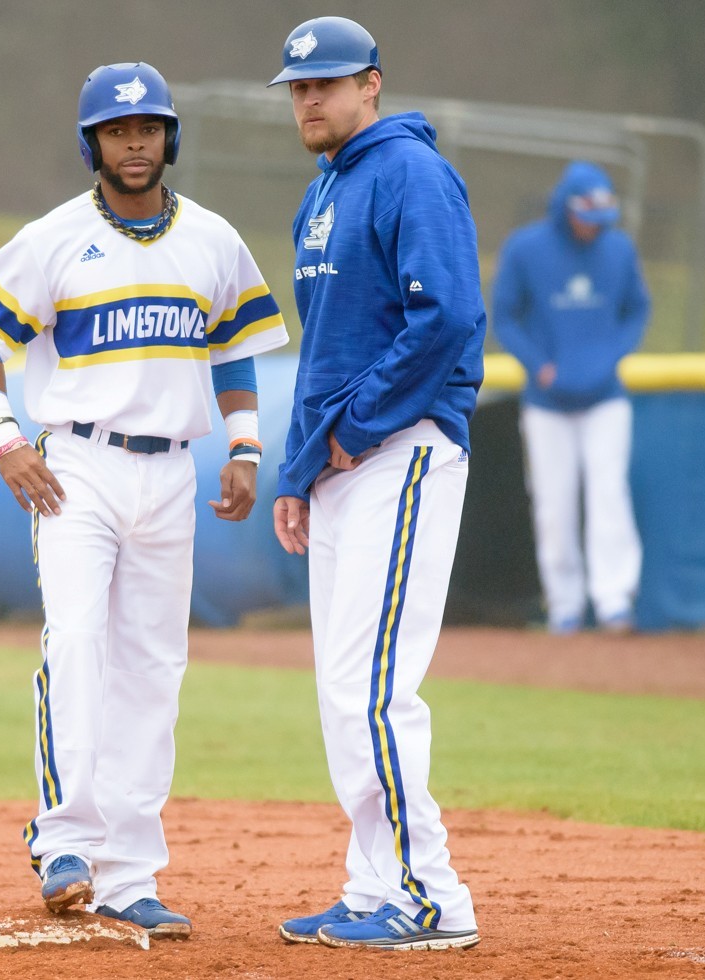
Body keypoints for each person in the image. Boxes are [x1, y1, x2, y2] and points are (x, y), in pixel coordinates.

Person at [0, 62, 288, 941]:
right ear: (91, 143)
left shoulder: (212, 239)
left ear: (171, 137)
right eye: (117, 131)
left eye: (149, 129)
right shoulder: (54, 237)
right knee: (76, 643)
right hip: (78, 468)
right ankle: (64, 843)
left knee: (154, 667)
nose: (135, 144)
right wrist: (6, 438)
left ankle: (132, 873)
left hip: (170, 472)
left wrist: (246, 448)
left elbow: (235, 349)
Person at [267, 15, 483, 952]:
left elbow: (446, 320)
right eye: (299, 87)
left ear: (372, 85)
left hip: (403, 451)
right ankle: (373, 887)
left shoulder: (410, 174)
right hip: (345, 468)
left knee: (373, 687)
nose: (310, 98)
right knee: (342, 689)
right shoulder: (324, 190)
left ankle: (431, 896)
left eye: (328, 82)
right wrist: (298, 467)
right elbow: (323, 350)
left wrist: (354, 431)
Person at [491, 161, 650, 635]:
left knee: (609, 493)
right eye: (586, 218)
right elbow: (505, 316)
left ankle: (614, 600)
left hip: (606, 398)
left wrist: (611, 356)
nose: (592, 228)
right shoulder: (525, 248)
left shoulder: (619, 249)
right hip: (547, 403)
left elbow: (637, 309)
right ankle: (564, 604)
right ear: (566, 208)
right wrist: (537, 364)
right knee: (553, 503)